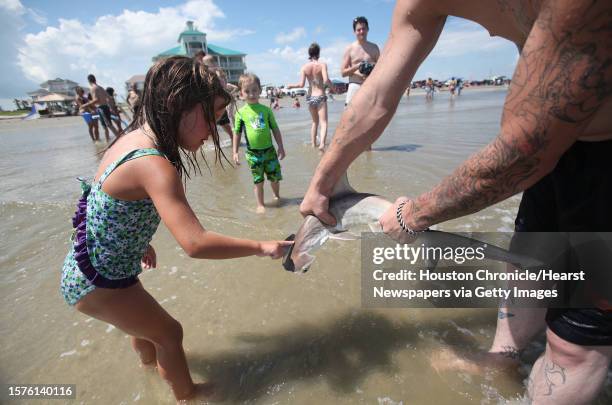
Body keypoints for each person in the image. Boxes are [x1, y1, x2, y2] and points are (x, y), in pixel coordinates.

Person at [300, 1, 612, 403]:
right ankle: (501, 358)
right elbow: (376, 95)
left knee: (577, 344)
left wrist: (413, 215)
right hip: (558, 147)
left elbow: (523, 153)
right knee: (527, 264)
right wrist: (325, 180)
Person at [60, 56, 292, 402]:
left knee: (144, 327)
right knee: (169, 333)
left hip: (93, 268)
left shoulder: (131, 140)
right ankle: (189, 396)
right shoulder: (155, 165)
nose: (214, 132)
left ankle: (149, 374)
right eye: (211, 118)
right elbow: (195, 243)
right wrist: (262, 246)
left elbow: (103, 200)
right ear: (178, 106)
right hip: (99, 281)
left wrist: (135, 241)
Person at [232, 73, 286, 214]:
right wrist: (235, 151)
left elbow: (275, 129)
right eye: (247, 91)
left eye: (254, 90)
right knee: (258, 181)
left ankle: (276, 196)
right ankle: (260, 204)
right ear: (241, 93)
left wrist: (280, 146)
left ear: (260, 91)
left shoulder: (266, 110)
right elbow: (237, 133)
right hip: (253, 153)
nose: (251, 94)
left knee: (274, 177)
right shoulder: (241, 113)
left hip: (269, 150)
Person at [287, 43, 335, 151]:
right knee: (324, 122)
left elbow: (301, 85)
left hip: (310, 97)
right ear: (318, 53)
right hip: (320, 96)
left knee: (314, 122)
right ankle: (322, 144)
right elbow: (326, 80)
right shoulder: (322, 65)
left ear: (309, 54)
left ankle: (313, 144)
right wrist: (334, 88)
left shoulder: (304, 67)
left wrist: (291, 86)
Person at [195, 51, 238, 145]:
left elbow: (222, 85)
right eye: (204, 64)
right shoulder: (205, 73)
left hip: (219, 103)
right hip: (211, 103)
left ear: (212, 63)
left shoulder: (216, 73)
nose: (205, 65)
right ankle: (216, 144)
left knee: (225, 124)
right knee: (211, 125)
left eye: (206, 64)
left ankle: (233, 140)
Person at [341, 16, 380, 107]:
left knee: (371, 118)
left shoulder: (374, 48)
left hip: (371, 87)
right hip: (354, 86)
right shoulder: (350, 49)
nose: (361, 32)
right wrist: (358, 67)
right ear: (354, 31)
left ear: (367, 29)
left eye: (364, 29)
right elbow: (343, 72)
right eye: (358, 30)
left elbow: (381, 69)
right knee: (350, 118)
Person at [81, 74, 120, 141]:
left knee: (109, 125)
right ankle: (108, 141)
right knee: (105, 126)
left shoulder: (93, 88)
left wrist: (85, 105)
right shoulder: (100, 87)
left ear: (89, 81)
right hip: (105, 107)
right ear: (95, 80)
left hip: (101, 108)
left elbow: (96, 99)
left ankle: (119, 139)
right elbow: (109, 98)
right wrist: (111, 107)